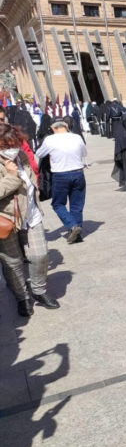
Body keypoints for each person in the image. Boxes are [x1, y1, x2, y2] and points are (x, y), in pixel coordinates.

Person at [0, 122, 56, 316]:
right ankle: (22, 297)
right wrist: (12, 177)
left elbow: (32, 180)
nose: (11, 149)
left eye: (14, 143)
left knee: (40, 255)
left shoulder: (22, 156)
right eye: (6, 146)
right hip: (6, 221)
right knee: (13, 263)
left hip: (31, 215)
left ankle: (39, 290)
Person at [34, 119, 87, 243]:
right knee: (76, 205)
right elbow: (84, 153)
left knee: (57, 204)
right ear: (66, 126)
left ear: (52, 128)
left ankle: (72, 226)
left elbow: (39, 154)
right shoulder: (77, 137)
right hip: (78, 172)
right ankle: (77, 233)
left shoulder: (50, 140)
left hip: (60, 174)